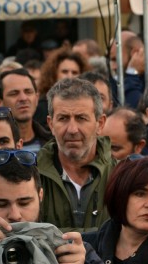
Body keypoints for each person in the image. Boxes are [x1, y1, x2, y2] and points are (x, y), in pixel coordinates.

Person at [0, 150, 126, 264]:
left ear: (41, 196)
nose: (15, 215)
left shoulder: (70, 250)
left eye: (24, 202)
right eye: (1, 204)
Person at [37, 78, 114, 231]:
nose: (72, 129)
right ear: (51, 124)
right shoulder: (32, 177)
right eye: (63, 118)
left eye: (81, 118)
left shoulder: (121, 176)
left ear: (100, 124)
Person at [0, 68, 52, 153]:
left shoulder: (54, 144)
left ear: (36, 98)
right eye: (14, 93)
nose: (23, 98)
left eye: (28, 92)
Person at [34, 49, 89, 130]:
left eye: (74, 72)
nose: (70, 77)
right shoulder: (42, 107)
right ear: (54, 74)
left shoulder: (87, 104)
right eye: (65, 72)